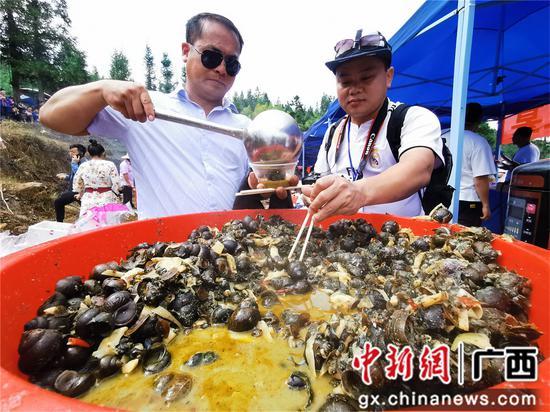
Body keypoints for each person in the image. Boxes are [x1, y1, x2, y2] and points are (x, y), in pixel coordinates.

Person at [39, 12, 291, 219]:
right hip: (165, 253)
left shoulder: (245, 127)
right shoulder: (146, 108)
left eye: (232, 63)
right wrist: (102, 89)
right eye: (211, 56)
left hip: (225, 256)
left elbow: (254, 186)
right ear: (185, 51)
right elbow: (51, 115)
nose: (221, 69)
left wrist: (269, 185)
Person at [302, 30, 444, 222]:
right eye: (345, 81)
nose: (354, 89)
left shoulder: (413, 118)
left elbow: (418, 169)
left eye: (366, 78)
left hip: (400, 241)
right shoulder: (333, 132)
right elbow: (319, 181)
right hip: (342, 241)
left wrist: (359, 191)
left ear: (388, 77)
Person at [449, 103, 496, 227]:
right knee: (466, 237)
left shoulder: (442, 135)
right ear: (479, 120)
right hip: (466, 200)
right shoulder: (478, 142)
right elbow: (480, 179)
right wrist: (486, 205)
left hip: (438, 195)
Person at [73, 139, 122, 217]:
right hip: (106, 197)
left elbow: (77, 181)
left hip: (88, 197)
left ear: (89, 153)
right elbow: (117, 183)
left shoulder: (84, 165)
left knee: (88, 222)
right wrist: (117, 194)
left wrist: (80, 193)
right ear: (103, 153)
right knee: (106, 222)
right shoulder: (110, 164)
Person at [54, 144, 87, 222]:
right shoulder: (76, 162)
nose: (70, 153)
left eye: (73, 152)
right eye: (70, 152)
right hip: (73, 191)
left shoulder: (84, 163)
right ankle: (59, 222)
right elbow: (74, 177)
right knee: (59, 202)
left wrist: (74, 164)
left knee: (86, 209)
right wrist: (65, 177)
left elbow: (80, 176)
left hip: (81, 191)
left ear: (80, 153)